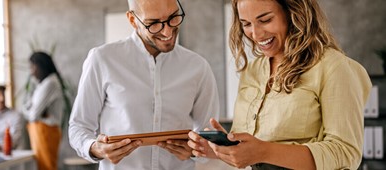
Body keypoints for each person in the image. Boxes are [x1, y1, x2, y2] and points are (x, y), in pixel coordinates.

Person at [187, 0, 372, 169]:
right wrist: (219, 148)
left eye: (265, 20)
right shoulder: (252, 71)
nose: (256, 33)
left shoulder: (334, 67)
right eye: (246, 24)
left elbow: (345, 153)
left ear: (293, 12)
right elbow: (250, 152)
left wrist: (264, 151)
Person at [68, 0, 220, 169]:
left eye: (173, 17)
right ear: (132, 20)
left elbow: (209, 135)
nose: (167, 31)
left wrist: (195, 151)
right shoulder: (102, 60)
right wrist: (96, 148)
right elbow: (79, 127)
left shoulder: (198, 67)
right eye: (153, 23)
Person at [22, 51, 65, 170]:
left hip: (46, 131)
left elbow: (32, 115)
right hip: (41, 130)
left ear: (40, 65)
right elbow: (29, 107)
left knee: (47, 167)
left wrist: (28, 111)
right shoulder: (42, 84)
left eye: (32, 66)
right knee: (42, 166)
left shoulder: (50, 83)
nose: (31, 71)